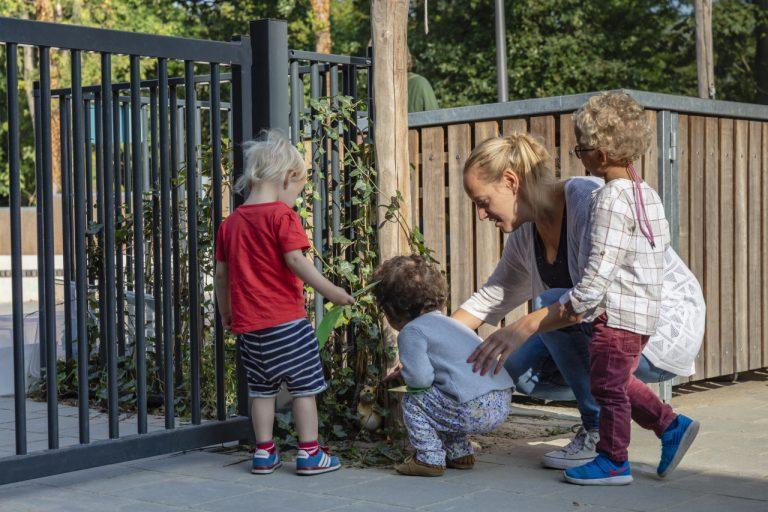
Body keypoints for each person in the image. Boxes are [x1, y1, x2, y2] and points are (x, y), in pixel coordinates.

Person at [453, 110, 705, 473]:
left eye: (482, 202)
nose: (481, 215)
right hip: (607, 326)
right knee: (515, 366)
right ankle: (668, 424)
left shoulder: (590, 199)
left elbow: (592, 296)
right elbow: (491, 297)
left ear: (510, 181)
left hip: (656, 322)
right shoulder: (526, 234)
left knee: (549, 304)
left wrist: (524, 325)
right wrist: (428, 339)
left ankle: (597, 431)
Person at [553, 91, 699, 485]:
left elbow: (601, 267)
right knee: (620, 380)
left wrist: (575, 303)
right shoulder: (645, 193)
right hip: (643, 312)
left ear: (599, 154)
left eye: (579, 149)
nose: (578, 156)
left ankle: (614, 459)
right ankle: (671, 425)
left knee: (607, 387)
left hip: (614, 315)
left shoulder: (610, 200)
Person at [215, 130, 354, 476]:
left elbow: (220, 275)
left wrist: (226, 313)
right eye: (299, 190)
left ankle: (263, 452)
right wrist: (333, 292)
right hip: (287, 324)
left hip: (249, 328)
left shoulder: (230, 224)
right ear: (288, 177)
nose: (296, 199)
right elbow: (296, 261)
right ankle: (309, 453)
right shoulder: (281, 216)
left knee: (261, 391)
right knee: (304, 388)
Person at [373, 255, 513, 477]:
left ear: (391, 309)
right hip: (501, 401)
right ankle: (460, 454)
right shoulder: (450, 323)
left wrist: (407, 377)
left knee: (415, 400)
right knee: (444, 398)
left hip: (473, 408)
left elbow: (419, 380)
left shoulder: (412, 331)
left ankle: (429, 458)